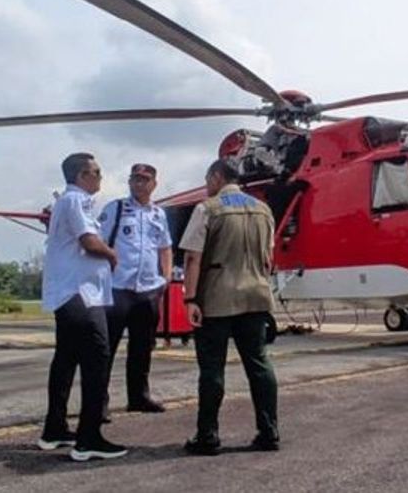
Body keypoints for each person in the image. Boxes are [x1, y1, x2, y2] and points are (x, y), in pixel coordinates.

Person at [180, 158, 280, 455]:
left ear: (216, 177)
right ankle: (269, 431)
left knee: (212, 369)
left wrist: (190, 299)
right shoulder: (264, 210)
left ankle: (207, 436)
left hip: (217, 299)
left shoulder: (207, 208)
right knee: (259, 364)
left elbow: (192, 258)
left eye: (208, 179)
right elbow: (268, 259)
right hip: (257, 297)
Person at [38, 152, 128, 462]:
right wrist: (112, 254)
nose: (101, 176)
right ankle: (89, 438)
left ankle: (55, 429)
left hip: (72, 294)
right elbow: (90, 243)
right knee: (97, 358)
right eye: (96, 171)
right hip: (80, 295)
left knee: (66, 359)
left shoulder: (71, 202)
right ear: (81, 176)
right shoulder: (75, 201)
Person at [101, 163, 173, 415]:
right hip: (118, 288)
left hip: (147, 290)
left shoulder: (158, 214)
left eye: (145, 180)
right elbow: (99, 242)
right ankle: (99, 402)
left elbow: (164, 247)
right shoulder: (117, 209)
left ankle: (139, 396)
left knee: (143, 347)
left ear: (154, 184)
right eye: (135, 179)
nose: (139, 184)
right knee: (106, 348)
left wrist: (165, 277)